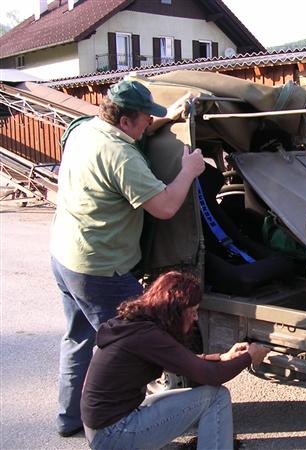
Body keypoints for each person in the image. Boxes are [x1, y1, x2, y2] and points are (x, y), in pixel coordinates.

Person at [51, 79, 206, 437]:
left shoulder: (86, 128)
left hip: (64, 255)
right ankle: (119, 429)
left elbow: (141, 127)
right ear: (124, 122)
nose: (147, 126)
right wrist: (189, 171)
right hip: (100, 269)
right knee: (130, 348)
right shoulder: (121, 154)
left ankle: (68, 419)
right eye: (143, 120)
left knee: (78, 337)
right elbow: (166, 207)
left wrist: (171, 114)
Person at [81, 271, 270, 450]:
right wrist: (249, 357)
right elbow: (211, 376)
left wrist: (223, 357)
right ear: (175, 309)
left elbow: (181, 360)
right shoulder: (147, 335)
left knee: (209, 395)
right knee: (216, 398)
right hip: (114, 434)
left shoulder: (137, 323)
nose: (196, 317)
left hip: (105, 427)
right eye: (193, 311)